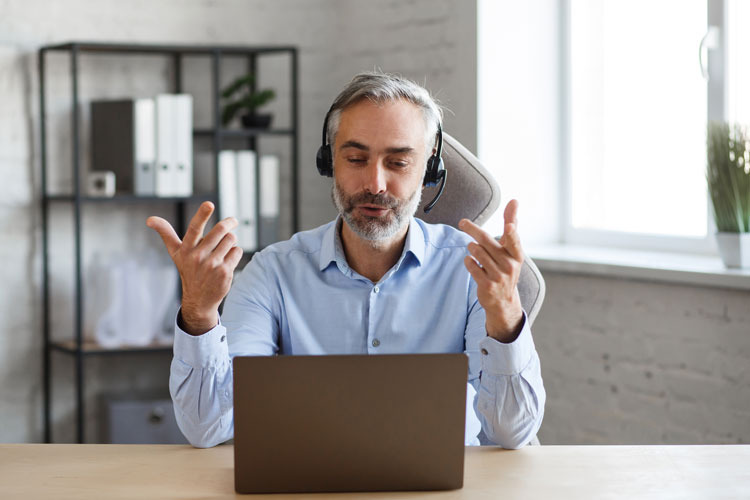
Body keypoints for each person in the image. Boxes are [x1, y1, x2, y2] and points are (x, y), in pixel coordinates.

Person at [147, 71, 545, 449]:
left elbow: (511, 432)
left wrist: (505, 317)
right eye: (355, 159)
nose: (374, 184)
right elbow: (206, 426)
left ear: (429, 170)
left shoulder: (470, 273)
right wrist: (199, 314)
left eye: (398, 162)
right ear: (329, 163)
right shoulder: (273, 273)